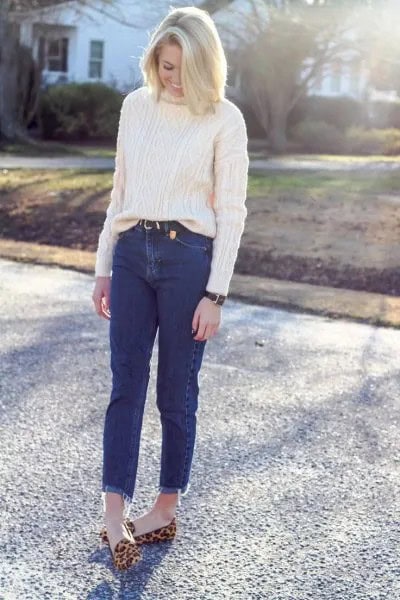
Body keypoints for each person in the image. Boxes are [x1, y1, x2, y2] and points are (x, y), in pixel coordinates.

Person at [92, 5, 249, 570]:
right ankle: (115, 515)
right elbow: (119, 193)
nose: (172, 79)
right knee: (125, 384)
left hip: (190, 262)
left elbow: (232, 212)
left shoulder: (224, 120)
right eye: (164, 66)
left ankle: (163, 509)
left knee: (176, 391)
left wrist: (217, 294)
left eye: (183, 68)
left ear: (206, 66)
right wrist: (103, 267)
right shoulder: (136, 107)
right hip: (133, 253)